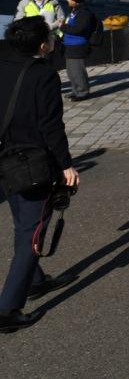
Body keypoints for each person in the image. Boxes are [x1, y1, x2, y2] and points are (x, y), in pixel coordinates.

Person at [0, 17, 79, 333]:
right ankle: (7, 309)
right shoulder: (44, 75)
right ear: (42, 45)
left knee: (22, 224)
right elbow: (51, 127)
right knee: (32, 234)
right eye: (50, 35)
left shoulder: (2, 66)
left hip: (5, 160)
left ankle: (34, 280)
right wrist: (66, 165)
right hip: (33, 164)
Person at [59, 0, 98, 101]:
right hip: (69, 45)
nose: (67, 0)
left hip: (78, 46)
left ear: (75, 0)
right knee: (71, 71)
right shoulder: (74, 10)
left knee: (78, 71)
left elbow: (78, 29)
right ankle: (75, 90)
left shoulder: (84, 13)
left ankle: (83, 92)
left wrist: (62, 26)